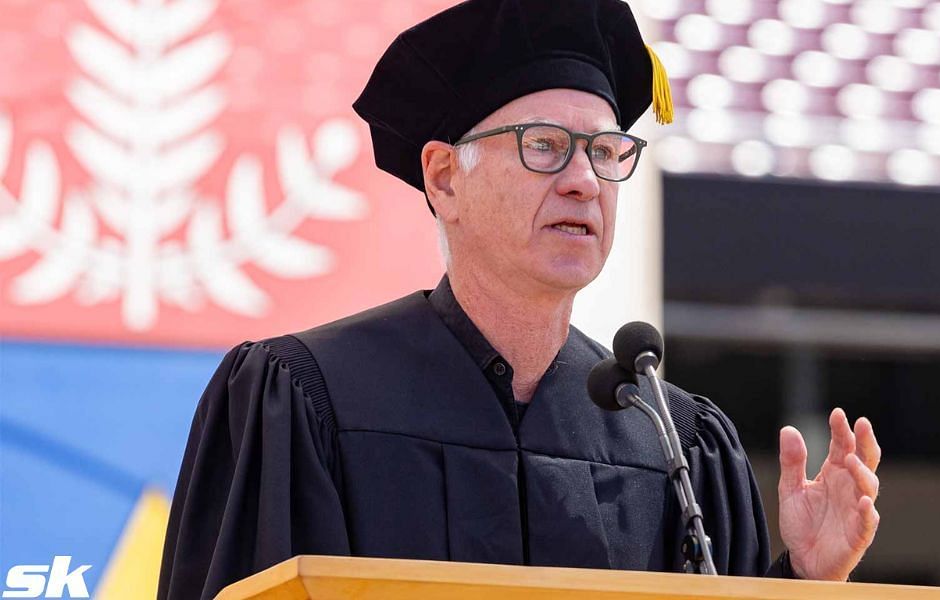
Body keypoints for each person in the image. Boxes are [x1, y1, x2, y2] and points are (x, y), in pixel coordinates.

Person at [157, 1, 882, 598]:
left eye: (605, 152)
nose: (583, 181)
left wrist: (806, 580)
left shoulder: (673, 442)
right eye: (544, 145)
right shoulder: (308, 400)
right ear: (444, 178)